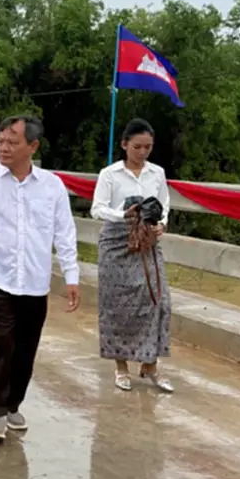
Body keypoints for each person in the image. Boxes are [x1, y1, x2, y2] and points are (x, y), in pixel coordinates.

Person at [0, 115, 80, 443]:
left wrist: (71, 275)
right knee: (0, 342)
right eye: (1, 141)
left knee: (26, 347)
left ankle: (13, 403)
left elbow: (64, 232)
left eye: (13, 142)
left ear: (33, 146)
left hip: (34, 281)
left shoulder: (51, 186)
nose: (4, 147)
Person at [91, 118, 174, 393]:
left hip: (147, 242)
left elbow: (165, 204)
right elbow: (97, 208)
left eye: (147, 147)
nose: (142, 152)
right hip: (117, 242)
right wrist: (123, 215)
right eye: (137, 146)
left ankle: (150, 363)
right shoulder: (110, 174)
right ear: (125, 145)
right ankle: (121, 365)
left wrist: (162, 223)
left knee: (157, 300)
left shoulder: (157, 173)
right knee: (117, 305)